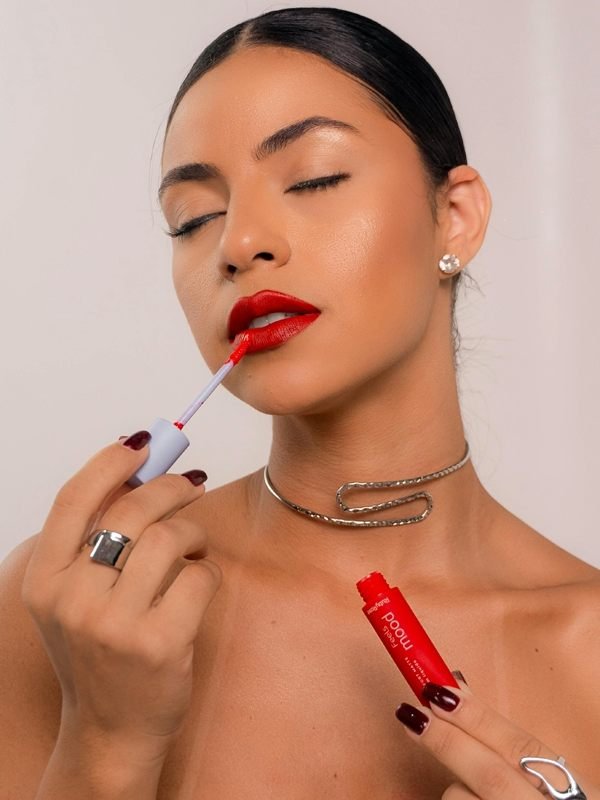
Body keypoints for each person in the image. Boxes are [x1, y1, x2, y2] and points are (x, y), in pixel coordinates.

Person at [1, 7, 598, 799]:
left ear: (454, 217)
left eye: (314, 177)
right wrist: (105, 743)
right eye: (193, 219)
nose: (238, 242)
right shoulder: (75, 612)